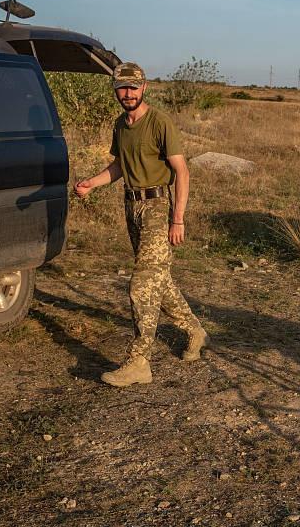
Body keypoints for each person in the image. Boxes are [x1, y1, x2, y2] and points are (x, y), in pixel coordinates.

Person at [74, 62, 209, 387]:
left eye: (133, 87)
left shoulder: (160, 122)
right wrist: (92, 183)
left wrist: (177, 218)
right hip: (132, 206)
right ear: (115, 90)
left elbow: (182, 172)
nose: (128, 93)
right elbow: (120, 165)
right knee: (157, 279)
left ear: (144, 88)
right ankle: (195, 330)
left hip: (159, 207)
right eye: (122, 87)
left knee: (141, 284)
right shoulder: (121, 125)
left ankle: (139, 362)